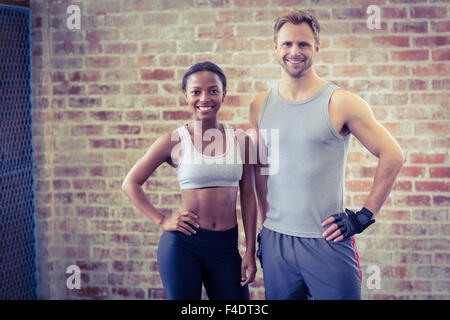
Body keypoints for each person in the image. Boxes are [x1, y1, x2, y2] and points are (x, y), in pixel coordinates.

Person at [249, 10, 404, 300]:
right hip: (276, 242)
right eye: (287, 44)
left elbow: (392, 154)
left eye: (304, 44)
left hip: (327, 240)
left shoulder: (340, 102)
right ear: (275, 48)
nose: (295, 52)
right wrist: (263, 227)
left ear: (317, 48)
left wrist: (364, 216)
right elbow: (261, 168)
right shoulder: (260, 105)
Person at [122, 61, 257, 300]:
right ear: (186, 95)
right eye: (196, 91)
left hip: (226, 247)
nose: (204, 97)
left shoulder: (241, 140)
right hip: (183, 246)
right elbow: (130, 183)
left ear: (224, 94)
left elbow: (248, 195)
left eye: (213, 90)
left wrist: (250, 250)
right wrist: (162, 220)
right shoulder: (174, 140)